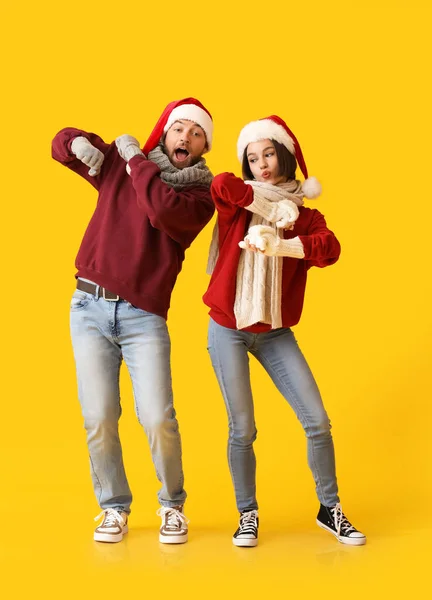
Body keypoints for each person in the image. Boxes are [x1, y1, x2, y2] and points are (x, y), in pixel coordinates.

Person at [52, 98, 214, 544]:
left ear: (203, 147)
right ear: (165, 131)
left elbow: (160, 209)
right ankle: (113, 508)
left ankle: (172, 504)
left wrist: (136, 159)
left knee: (157, 417)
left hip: (144, 317)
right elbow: (59, 146)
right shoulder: (120, 166)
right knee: (99, 416)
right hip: (88, 308)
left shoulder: (200, 195)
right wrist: (77, 144)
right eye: (179, 127)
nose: (185, 136)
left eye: (196, 133)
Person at [204, 115, 366, 547]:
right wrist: (270, 208)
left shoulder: (306, 216)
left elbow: (329, 248)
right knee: (243, 429)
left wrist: (283, 244)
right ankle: (247, 514)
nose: (262, 165)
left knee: (318, 421)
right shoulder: (239, 203)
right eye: (252, 158)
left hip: (275, 332)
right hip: (229, 327)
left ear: (285, 156)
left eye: (268, 154)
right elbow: (220, 183)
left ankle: (329, 508)